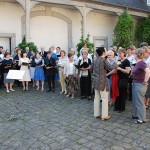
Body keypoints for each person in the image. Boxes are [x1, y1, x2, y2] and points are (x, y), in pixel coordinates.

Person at [92, 47, 117, 120]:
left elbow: (91, 69)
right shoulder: (104, 60)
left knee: (96, 98)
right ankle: (104, 116)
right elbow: (111, 67)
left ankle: (96, 114)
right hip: (102, 81)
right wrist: (117, 63)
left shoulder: (95, 60)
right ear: (103, 52)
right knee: (104, 98)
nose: (106, 52)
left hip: (95, 80)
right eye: (105, 51)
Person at [131, 48, 150, 124]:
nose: (134, 55)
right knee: (136, 101)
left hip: (140, 85)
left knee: (139, 101)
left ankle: (142, 119)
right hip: (136, 83)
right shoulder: (138, 63)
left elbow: (148, 71)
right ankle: (137, 115)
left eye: (135, 53)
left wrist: (145, 81)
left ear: (137, 54)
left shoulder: (142, 63)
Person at [114, 48, 131, 113]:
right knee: (118, 93)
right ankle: (117, 107)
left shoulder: (127, 61)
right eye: (119, 53)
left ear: (124, 53)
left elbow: (127, 71)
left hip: (124, 79)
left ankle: (122, 108)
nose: (119, 54)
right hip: (118, 79)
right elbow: (115, 68)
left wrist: (120, 68)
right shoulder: (119, 60)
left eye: (121, 53)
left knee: (123, 94)